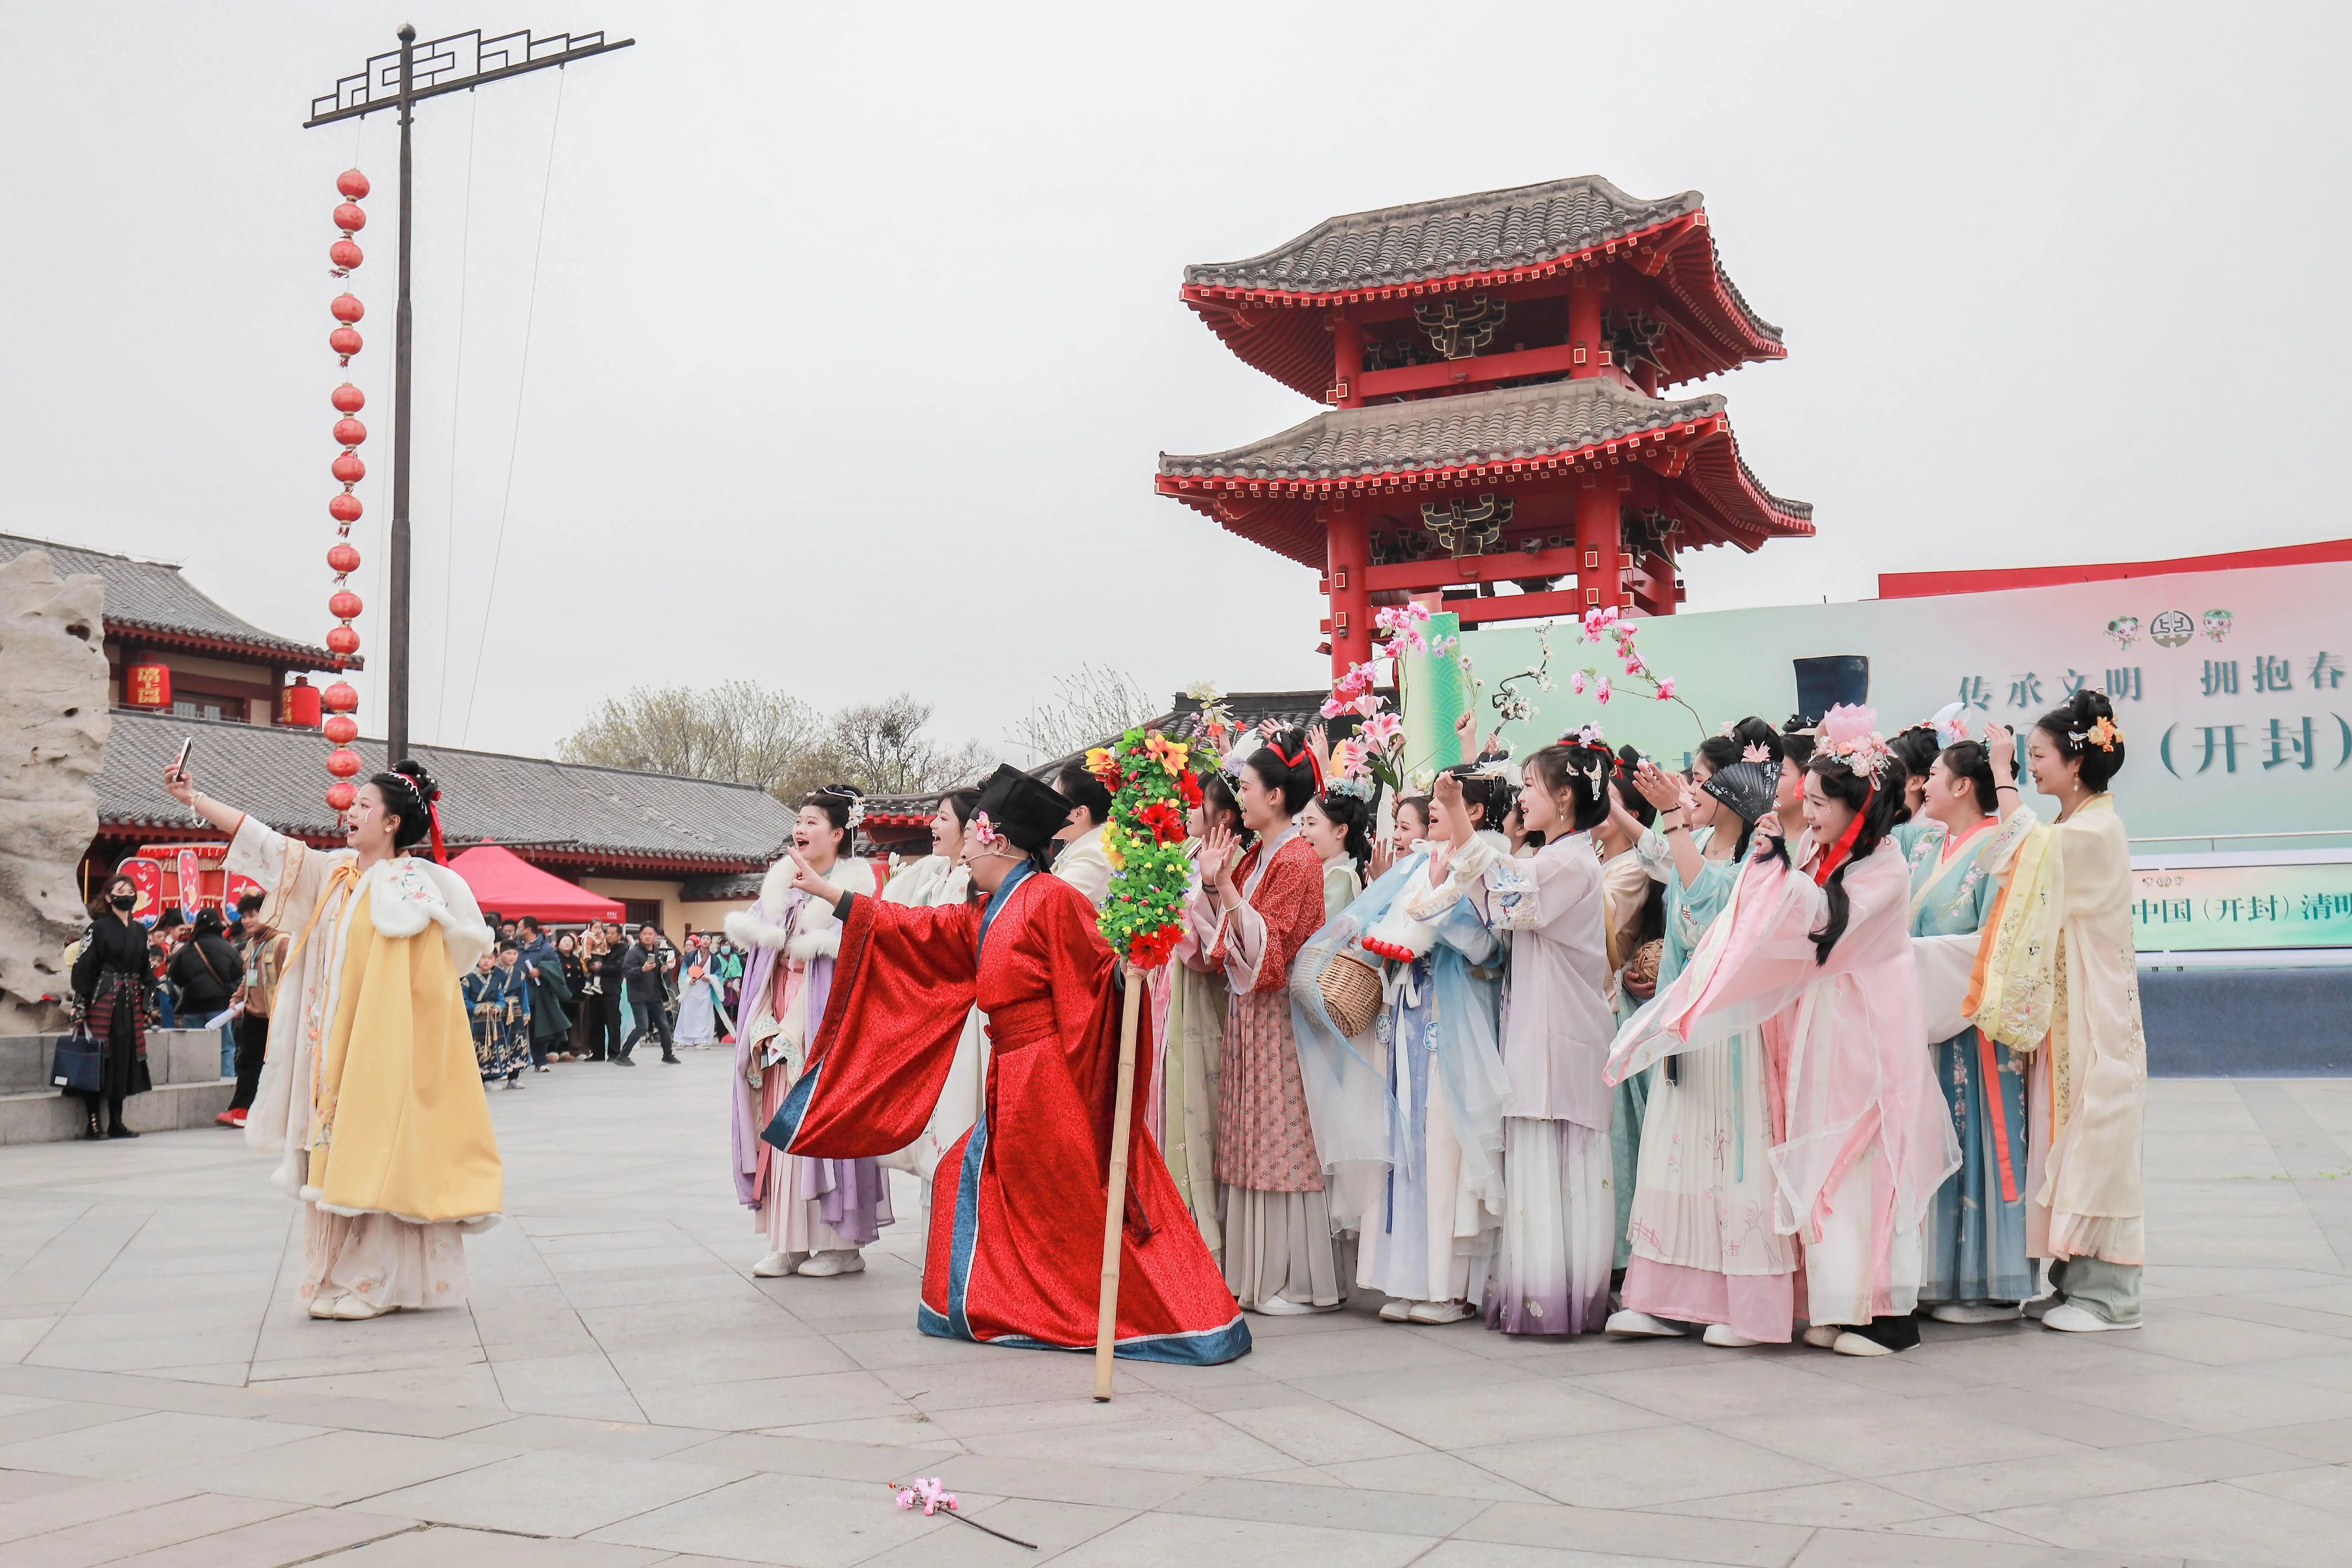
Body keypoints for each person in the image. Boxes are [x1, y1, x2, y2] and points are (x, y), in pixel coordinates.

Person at [767, 763, 1248, 1362]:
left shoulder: (1049, 899)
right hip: (1016, 1072)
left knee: (1051, 1197)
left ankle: (1130, 1312)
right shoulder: (990, 908)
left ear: (995, 837)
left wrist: (1125, 973)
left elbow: (1095, 976)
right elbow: (916, 930)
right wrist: (831, 895)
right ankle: (1005, 1306)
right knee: (983, 1187)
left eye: (970, 835)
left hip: (1048, 1077)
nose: (963, 847)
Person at [1611, 706, 1960, 1356]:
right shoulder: (1824, 853)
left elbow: (1827, 926)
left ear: (1859, 803)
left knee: (1865, 1168)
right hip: (1823, 1029)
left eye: (1823, 800)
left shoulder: (1881, 865)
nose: (1812, 809)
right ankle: (1842, 1307)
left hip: (1867, 1034)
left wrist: (1773, 870)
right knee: (1824, 1172)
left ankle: (1889, 1316)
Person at [167, 757, 500, 1320]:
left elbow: (427, 992)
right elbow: (265, 843)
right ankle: (342, 1273)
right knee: (336, 1158)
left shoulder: (412, 893)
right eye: (354, 805)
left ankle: (375, 1280)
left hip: (381, 1051)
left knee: (377, 1156)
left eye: (365, 806)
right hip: (331, 1052)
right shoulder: (335, 873)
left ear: (393, 823)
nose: (352, 813)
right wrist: (194, 800)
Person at [1973, 691, 2147, 1334]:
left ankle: (2112, 1295)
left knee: (2097, 1139)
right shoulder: (2078, 827)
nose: (2031, 766)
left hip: (2097, 1017)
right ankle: (2074, 1278)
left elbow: (2027, 852)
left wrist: (2000, 776)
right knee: (2065, 1137)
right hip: (2072, 1013)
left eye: (2039, 756)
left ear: (2075, 764)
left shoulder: (2099, 829)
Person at [1606, 730, 1788, 1342]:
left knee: (1726, 1160)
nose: (1690, 788)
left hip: (1730, 1034)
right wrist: (1627, 808)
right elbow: (1665, 855)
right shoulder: (1701, 840)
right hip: (1685, 1029)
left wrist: (1667, 816)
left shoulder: (1761, 855)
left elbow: (1710, 902)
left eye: (1702, 778)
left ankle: (1743, 1304)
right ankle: (1666, 1297)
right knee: (1676, 1154)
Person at [1188, 732, 1339, 1315]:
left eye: (1247, 788)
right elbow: (1229, 937)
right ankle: (1257, 1275)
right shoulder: (1259, 855)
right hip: (1252, 1009)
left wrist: (1223, 886)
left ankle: (1295, 1278)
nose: (1239, 798)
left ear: (1276, 796)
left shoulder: (1297, 859)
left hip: (1280, 1014)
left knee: (1283, 1137)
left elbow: (1270, 950)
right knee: (1253, 1136)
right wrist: (1214, 883)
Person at [1481, 737, 1620, 1335]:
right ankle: (1553, 1296)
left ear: (1565, 798)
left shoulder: (1567, 861)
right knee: (1554, 1165)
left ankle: (1556, 1300)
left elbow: (1508, 905)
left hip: (1561, 1029)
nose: (1523, 796)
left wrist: (1465, 834)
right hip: (1549, 1026)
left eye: (1532, 787)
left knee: (1556, 1162)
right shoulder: (1557, 856)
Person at [726, 784, 892, 1278]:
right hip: (774, 1013)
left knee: (823, 1124)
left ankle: (841, 1244)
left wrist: (802, 1018)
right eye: (799, 820)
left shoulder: (857, 890)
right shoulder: (779, 885)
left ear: (840, 833)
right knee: (779, 1124)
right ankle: (789, 1240)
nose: (800, 829)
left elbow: (862, 960)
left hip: (826, 1023)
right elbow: (762, 958)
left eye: (813, 822)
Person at [1902, 732, 2038, 1322]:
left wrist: (1918, 960)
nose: (1923, 783)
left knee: (1980, 1135)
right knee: (1937, 1138)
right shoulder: (1927, 844)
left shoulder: (1993, 847)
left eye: (1932, 774)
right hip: (1927, 1009)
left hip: (1971, 1017)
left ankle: (1989, 1284)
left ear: (1962, 786)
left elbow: (1993, 943)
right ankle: (1943, 1279)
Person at [877, 788, 983, 1209]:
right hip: (931, 1007)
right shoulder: (932, 873)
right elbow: (890, 913)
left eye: (942, 818)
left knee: (955, 1120)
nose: (933, 826)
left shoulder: (971, 883)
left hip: (960, 1013)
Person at [1153, 766, 1237, 1255]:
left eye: (1198, 802)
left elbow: (1210, 951)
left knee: (1196, 1106)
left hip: (1199, 1000)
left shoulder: (1230, 862)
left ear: (1223, 816)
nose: (1188, 810)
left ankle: (1200, 1235)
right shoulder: (1186, 853)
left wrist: (1170, 914)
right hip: (1168, 988)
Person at [69, 873, 158, 1140]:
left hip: (130, 1002)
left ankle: (117, 1121)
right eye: (120, 890)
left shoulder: (141, 930)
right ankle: (93, 1121)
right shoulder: (97, 929)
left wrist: (150, 995)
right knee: (98, 1058)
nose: (127, 895)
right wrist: (80, 1004)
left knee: (124, 1059)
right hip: (103, 998)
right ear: (109, 897)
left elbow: (146, 969)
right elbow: (84, 968)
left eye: (131, 891)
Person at [220, 898, 287, 1128]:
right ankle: (242, 1109)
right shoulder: (250, 945)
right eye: (245, 916)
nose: (247, 921)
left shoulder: (282, 942)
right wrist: (237, 1001)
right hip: (252, 1016)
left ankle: (270, 1114)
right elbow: (247, 980)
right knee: (248, 1063)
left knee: (277, 1065)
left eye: (252, 915)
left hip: (277, 1017)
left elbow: (290, 981)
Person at [170, 908, 242, 1081]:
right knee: (225, 1047)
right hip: (220, 1007)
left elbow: (175, 975)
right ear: (218, 925)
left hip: (192, 1006)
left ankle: (195, 1082)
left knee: (195, 1048)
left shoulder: (186, 949)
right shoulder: (227, 948)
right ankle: (225, 1085)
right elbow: (240, 971)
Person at [1296, 789, 1371, 920]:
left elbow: (1316, 927)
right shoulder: (1320, 870)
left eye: (1311, 824)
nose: (1303, 831)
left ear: (1341, 831)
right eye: (1303, 823)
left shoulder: (1342, 875)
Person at [1050, 761, 1114, 908]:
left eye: (1054, 802)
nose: (1046, 808)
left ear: (1079, 813)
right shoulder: (1088, 843)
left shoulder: (1093, 855)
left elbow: (1046, 908)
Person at [467, 947, 531, 1087]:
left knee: (516, 1042)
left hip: (512, 1011)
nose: (512, 957)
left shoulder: (516, 975)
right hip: (485, 1017)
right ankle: (488, 1078)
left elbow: (523, 995)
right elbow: (464, 999)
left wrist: (526, 1012)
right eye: (509, 953)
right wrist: (478, 1009)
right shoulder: (474, 978)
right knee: (488, 1044)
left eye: (515, 953)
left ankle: (513, 1077)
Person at [516, 916, 572, 1072]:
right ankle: (516, 1063)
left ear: (528, 929)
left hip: (536, 995)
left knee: (537, 1029)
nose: (517, 930)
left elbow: (557, 969)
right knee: (516, 1031)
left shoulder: (546, 949)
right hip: (516, 996)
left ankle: (540, 1061)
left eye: (520, 927)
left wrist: (541, 971)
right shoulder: (515, 947)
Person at [620, 924, 679, 1065]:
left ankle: (668, 1054)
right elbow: (627, 972)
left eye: (650, 934)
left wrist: (662, 970)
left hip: (654, 995)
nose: (647, 937)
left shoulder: (657, 952)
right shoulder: (633, 953)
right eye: (645, 934)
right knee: (642, 1026)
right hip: (638, 996)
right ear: (640, 936)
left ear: (655, 936)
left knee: (664, 1026)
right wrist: (642, 969)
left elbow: (658, 975)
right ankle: (623, 1055)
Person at [674, 935, 732, 1048]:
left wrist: (710, 978)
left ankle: (701, 1040)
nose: (706, 941)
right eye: (704, 938)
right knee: (687, 1014)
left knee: (703, 1016)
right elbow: (683, 973)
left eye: (708, 939)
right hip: (691, 989)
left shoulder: (714, 959)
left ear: (711, 942)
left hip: (705, 990)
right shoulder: (690, 956)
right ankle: (683, 1040)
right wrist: (688, 980)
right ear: (700, 941)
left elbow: (719, 976)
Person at [586, 925, 626, 1062]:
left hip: (611, 989)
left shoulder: (623, 950)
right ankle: (597, 1053)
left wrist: (602, 968)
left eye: (612, 934)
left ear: (619, 936)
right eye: (607, 933)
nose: (609, 936)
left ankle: (614, 1053)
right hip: (595, 990)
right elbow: (590, 959)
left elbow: (619, 968)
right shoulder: (600, 945)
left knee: (613, 1022)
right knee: (595, 1022)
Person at [554, 932, 590, 1060]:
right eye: (564, 941)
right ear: (558, 944)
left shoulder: (576, 959)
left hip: (576, 997)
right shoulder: (555, 958)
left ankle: (568, 1049)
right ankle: (556, 1050)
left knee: (570, 1024)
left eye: (570, 942)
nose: (568, 943)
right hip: (560, 996)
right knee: (559, 1024)